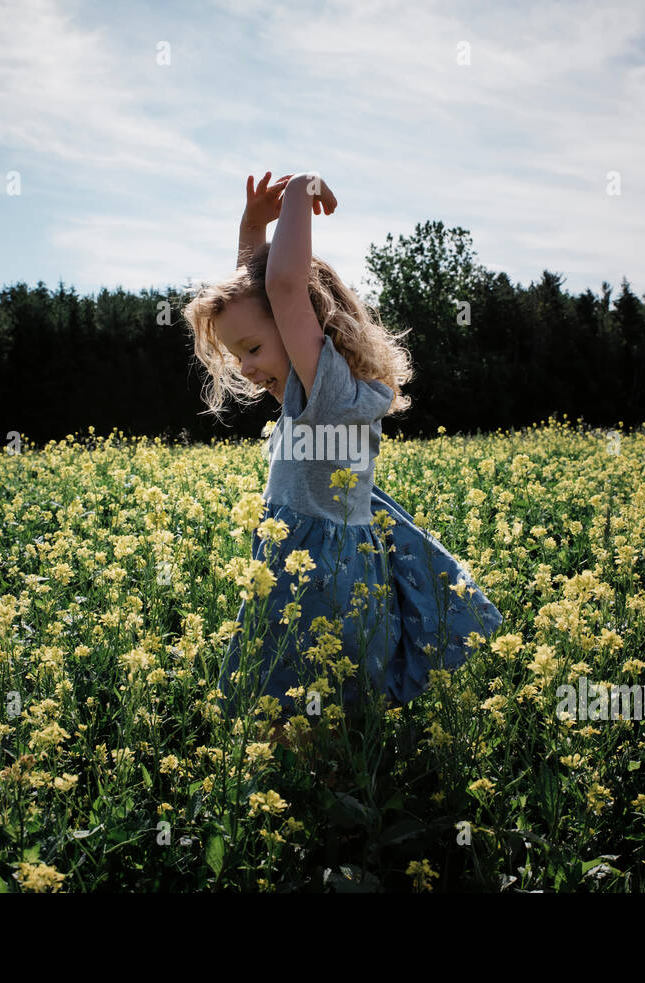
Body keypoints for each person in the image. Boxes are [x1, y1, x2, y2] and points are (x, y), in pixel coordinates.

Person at [180, 171, 503, 752]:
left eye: (252, 350)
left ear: (303, 323)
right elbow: (262, 292)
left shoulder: (323, 390)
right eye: (236, 354)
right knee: (307, 701)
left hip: (323, 576)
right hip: (317, 560)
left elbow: (280, 286)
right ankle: (320, 794)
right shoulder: (316, 388)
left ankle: (330, 809)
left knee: (312, 704)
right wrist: (253, 226)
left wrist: (302, 191)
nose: (246, 368)